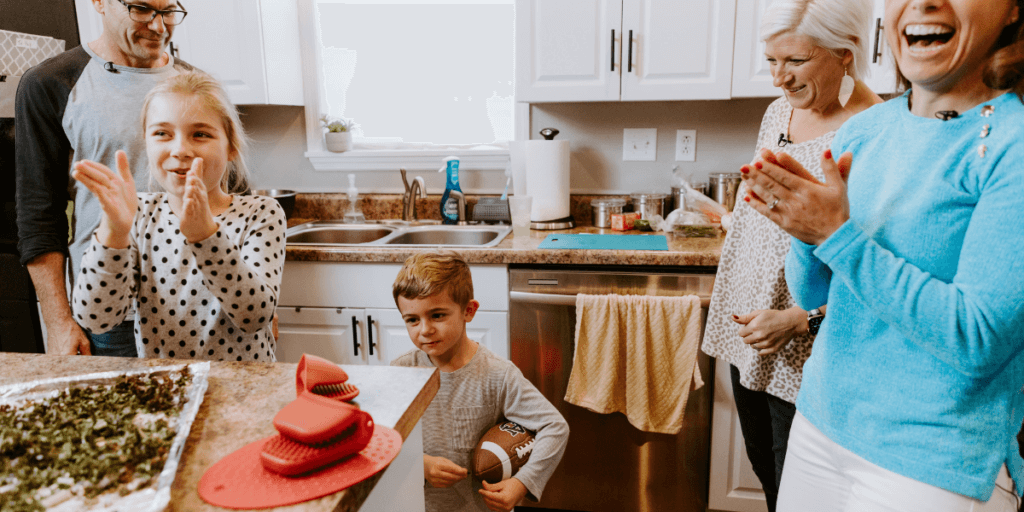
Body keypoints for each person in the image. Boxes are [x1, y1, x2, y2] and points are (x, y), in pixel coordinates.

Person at [741, 0, 1024, 509]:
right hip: (819, 426)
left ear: (1012, 10)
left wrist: (836, 236)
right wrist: (806, 229)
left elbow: (979, 338)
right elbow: (814, 293)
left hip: (933, 460)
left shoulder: (1012, 144)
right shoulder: (866, 130)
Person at [700, 1, 882, 510]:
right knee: (765, 472)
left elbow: (874, 264)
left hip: (802, 345)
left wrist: (803, 318)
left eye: (795, 62)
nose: (780, 77)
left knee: (797, 493)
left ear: (844, 55)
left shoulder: (875, 131)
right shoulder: (780, 110)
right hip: (748, 329)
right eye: (772, 61)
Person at [15, 0, 193, 357]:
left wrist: (252, 302)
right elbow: (39, 213)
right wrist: (59, 322)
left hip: (197, 301)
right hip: (109, 312)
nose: (158, 27)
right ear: (98, 2)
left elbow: (229, 196)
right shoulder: (50, 83)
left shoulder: (195, 84)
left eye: (168, 10)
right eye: (141, 9)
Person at [70, 71, 285, 362]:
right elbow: (96, 318)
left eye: (200, 134)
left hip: (244, 394)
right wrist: (114, 233)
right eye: (162, 134)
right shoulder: (137, 213)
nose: (180, 149)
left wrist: (206, 236)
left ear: (231, 146)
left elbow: (255, 316)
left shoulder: (261, 214)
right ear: (147, 143)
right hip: (169, 394)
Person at [390, 252, 569, 512]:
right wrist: (422, 465)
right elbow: (380, 439)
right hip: (418, 505)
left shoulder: (498, 375)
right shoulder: (401, 371)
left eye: (438, 315)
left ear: (469, 311)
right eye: (412, 320)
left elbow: (554, 427)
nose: (425, 330)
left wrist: (521, 484)